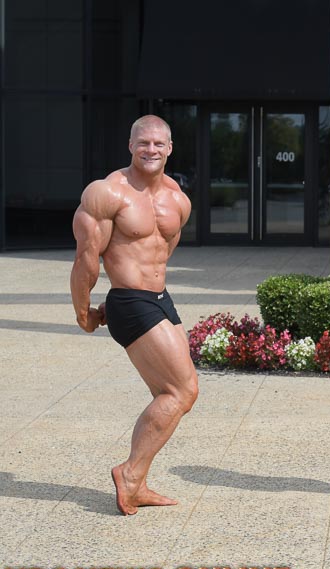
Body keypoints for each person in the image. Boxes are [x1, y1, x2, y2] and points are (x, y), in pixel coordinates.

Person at [70, 115, 198, 516]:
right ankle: (129, 475)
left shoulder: (177, 198)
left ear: (170, 148)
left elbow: (163, 250)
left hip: (159, 299)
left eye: (159, 143)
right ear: (130, 145)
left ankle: (137, 481)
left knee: (173, 394)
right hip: (130, 301)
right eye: (143, 142)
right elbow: (86, 259)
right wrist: (84, 311)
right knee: (181, 391)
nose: (151, 149)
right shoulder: (107, 193)